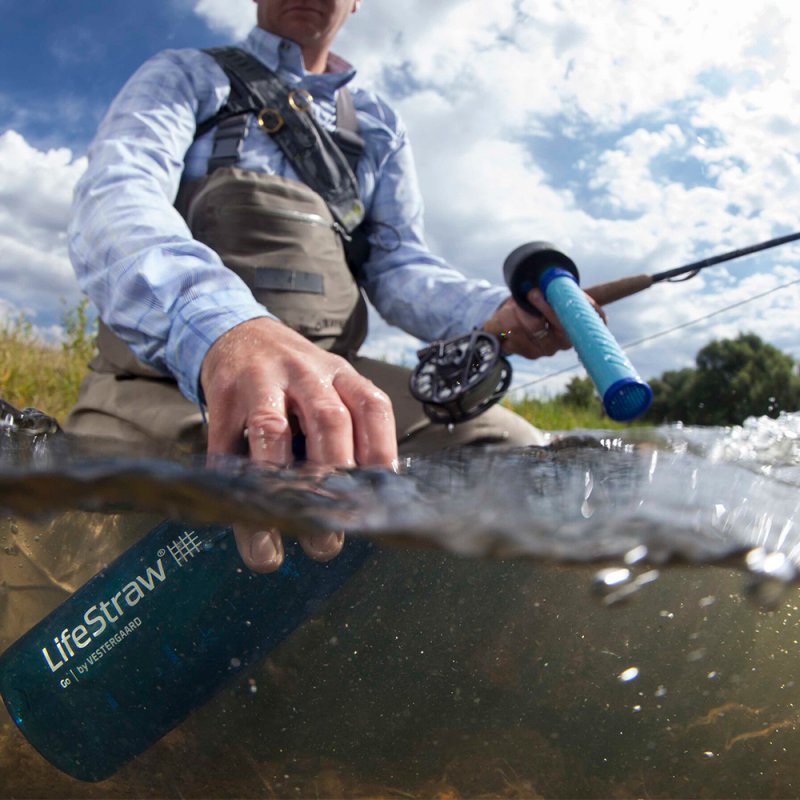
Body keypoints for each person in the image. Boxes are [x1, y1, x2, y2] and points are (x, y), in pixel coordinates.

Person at [64, 0, 606, 573]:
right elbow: (116, 197)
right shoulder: (186, 74)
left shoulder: (378, 125)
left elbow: (397, 267)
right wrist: (225, 328)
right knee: (84, 555)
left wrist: (496, 311)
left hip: (339, 379)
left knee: (521, 457)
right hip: (157, 379)